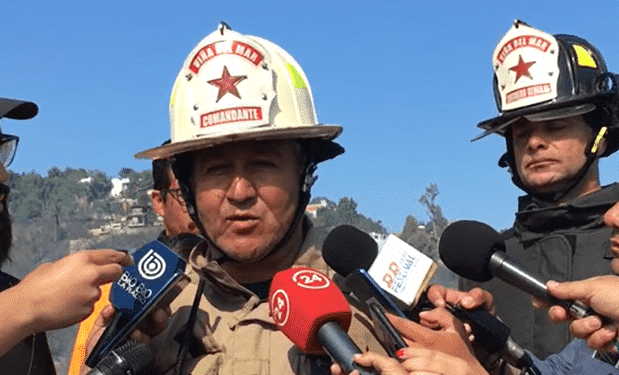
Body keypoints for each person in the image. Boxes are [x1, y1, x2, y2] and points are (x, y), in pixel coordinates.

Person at [118, 22, 387, 374]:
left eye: (263, 165)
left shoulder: (377, 300)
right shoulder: (153, 316)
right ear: (187, 187)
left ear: (304, 174)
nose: (240, 193)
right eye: (216, 170)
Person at [456, 19, 619, 360]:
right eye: (520, 133)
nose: (535, 143)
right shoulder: (486, 265)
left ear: (600, 137)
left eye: (556, 125)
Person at [0, 97, 133, 375]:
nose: (3, 174)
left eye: (0, 149)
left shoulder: (13, 295)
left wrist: (96, 364)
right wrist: (26, 306)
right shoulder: (23, 306)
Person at [67, 147, 201, 375]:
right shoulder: (114, 287)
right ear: (158, 202)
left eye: (205, 191)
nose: (197, 207)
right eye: (183, 194)